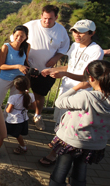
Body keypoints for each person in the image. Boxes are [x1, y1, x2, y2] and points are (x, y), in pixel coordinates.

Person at [47, 60, 110, 186]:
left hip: (72, 139)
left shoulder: (87, 97)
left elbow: (60, 102)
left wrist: (78, 87)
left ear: (90, 78)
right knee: (81, 166)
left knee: (62, 166)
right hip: (96, 143)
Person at [38, 19, 104, 166]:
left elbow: (89, 78)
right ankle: (59, 148)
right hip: (66, 89)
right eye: (75, 31)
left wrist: (65, 75)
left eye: (81, 32)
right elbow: (72, 66)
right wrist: (55, 70)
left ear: (92, 33)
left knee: (68, 125)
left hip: (80, 92)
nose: (76, 34)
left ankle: (55, 154)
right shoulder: (74, 46)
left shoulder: (96, 51)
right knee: (59, 121)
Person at [23, 5, 71, 131]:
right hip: (28, 68)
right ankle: (22, 114)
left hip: (46, 70)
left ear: (56, 17)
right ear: (41, 15)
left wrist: (56, 58)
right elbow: (16, 39)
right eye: (44, 18)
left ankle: (38, 116)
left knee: (40, 95)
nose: (46, 21)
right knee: (23, 92)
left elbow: (64, 48)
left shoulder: (61, 31)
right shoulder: (30, 26)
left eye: (50, 19)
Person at [0, 75, 35, 158]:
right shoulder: (31, 95)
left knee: (2, 135)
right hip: (23, 119)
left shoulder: (13, 97)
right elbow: (33, 107)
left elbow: (9, 110)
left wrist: (1, 112)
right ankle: (24, 147)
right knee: (17, 134)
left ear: (16, 87)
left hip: (12, 120)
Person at [0, 25, 31, 108]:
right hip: (5, 78)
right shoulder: (6, 47)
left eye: (22, 36)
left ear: (26, 37)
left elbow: (25, 62)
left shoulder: (27, 46)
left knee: (13, 104)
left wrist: (30, 69)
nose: (19, 38)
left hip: (19, 79)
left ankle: (7, 120)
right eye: (17, 35)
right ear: (13, 35)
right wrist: (17, 66)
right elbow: (1, 66)